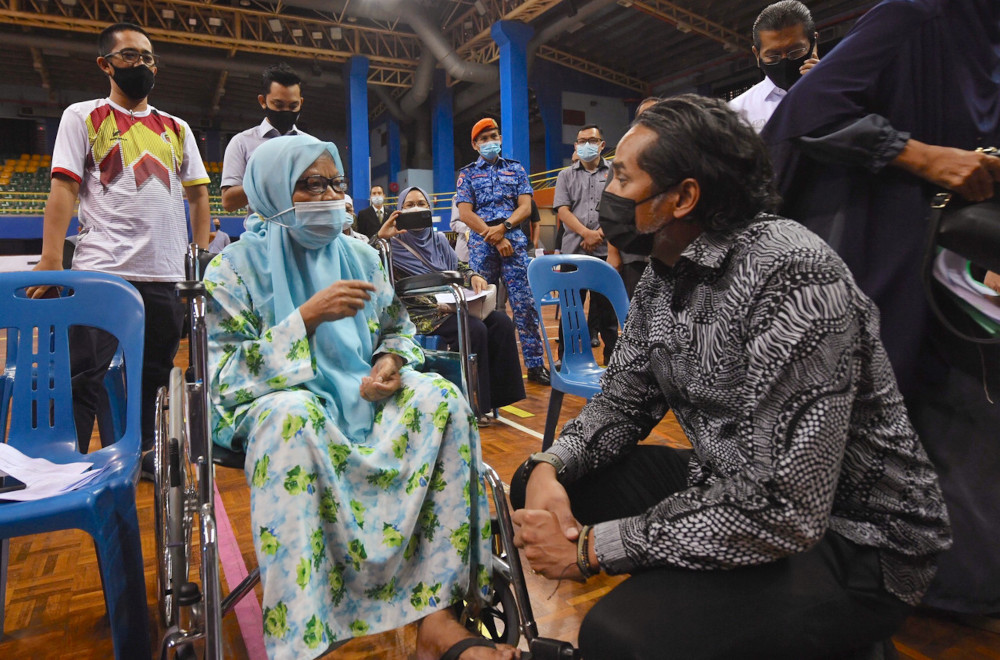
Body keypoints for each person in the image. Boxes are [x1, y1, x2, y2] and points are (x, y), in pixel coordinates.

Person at [511, 95, 951, 659]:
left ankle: (844, 636)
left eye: (621, 177)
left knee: (618, 638)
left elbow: (784, 504)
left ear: (683, 198)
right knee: (539, 483)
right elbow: (622, 402)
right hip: (729, 481)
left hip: (853, 541)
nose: (607, 195)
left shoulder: (792, 276)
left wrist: (593, 549)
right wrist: (551, 465)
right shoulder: (664, 273)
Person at [203, 135, 517, 660]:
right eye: (312, 185)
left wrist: (388, 363)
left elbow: (397, 330)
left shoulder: (361, 256)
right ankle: (306, 637)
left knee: (440, 398)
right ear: (272, 190)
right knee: (291, 415)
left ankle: (437, 618)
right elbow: (224, 376)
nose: (331, 196)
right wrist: (304, 320)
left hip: (364, 393)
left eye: (337, 183)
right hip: (284, 402)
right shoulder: (233, 269)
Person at [762, 0, 1000, 616]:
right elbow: (806, 110)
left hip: (945, 265)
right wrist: (925, 156)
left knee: (950, 413)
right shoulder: (918, 15)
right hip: (878, 253)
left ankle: (944, 578)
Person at [29, 22, 210, 458]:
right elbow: (63, 189)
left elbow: (200, 196)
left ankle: (144, 457)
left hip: (165, 275)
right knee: (82, 377)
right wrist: (51, 257)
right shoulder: (82, 116)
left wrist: (198, 258)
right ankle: (64, 463)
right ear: (105, 64)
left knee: (154, 379)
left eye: (147, 57)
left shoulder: (177, 127)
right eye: (130, 55)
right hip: (102, 273)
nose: (141, 63)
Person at [376, 185, 526, 424]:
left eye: (421, 204)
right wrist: (382, 237)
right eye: (409, 205)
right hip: (421, 313)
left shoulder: (438, 240)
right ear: (398, 211)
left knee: (501, 322)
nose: (416, 208)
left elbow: (458, 267)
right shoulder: (390, 245)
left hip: (452, 303)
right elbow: (371, 268)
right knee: (474, 329)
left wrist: (473, 276)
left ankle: (494, 399)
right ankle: (470, 404)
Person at [456, 117, 549, 385]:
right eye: (484, 139)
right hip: (483, 246)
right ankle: (480, 364)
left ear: (500, 139)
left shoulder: (516, 169)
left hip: (514, 245)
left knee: (525, 305)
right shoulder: (467, 174)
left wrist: (505, 227)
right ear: (475, 145)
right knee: (480, 306)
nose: (490, 142)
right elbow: (465, 213)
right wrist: (495, 237)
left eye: (494, 136)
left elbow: (525, 207)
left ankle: (535, 365)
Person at [553, 124, 619, 363]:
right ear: (576, 145)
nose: (586, 145)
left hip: (606, 253)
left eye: (592, 140)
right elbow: (563, 210)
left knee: (607, 312)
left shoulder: (615, 173)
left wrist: (600, 234)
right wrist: (586, 234)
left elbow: (619, 207)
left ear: (602, 145)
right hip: (574, 253)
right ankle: (565, 358)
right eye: (582, 141)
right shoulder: (565, 176)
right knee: (570, 309)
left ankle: (613, 360)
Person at [221, 63, 309, 213]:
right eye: (278, 105)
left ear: (301, 102)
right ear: (263, 101)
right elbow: (229, 202)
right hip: (261, 227)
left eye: (293, 106)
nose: (286, 111)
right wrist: (270, 179)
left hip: (304, 226)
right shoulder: (242, 142)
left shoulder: (311, 145)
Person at [728, 0, 820, 132]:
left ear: (814, 43)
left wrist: (826, 88)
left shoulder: (840, 90)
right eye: (773, 56)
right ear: (757, 54)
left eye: (795, 52)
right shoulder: (738, 113)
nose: (785, 61)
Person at [606, 97, 659, 299]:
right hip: (633, 257)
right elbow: (612, 213)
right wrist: (613, 253)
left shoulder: (680, 160)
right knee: (637, 310)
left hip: (669, 255)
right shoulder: (621, 162)